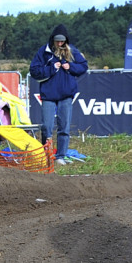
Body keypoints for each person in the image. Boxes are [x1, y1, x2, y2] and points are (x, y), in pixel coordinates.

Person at [29, 24, 88, 166]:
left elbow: (84, 66)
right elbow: (34, 70)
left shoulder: (72, 50)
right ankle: (46, 155)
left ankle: (60, 156)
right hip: (48, 95)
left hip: (66, 95)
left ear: (66, 40)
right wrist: (50, 69)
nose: (60, 44)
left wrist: (71, 67)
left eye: (62, 41)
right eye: (57, 41)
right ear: (53, 39)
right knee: (46, 126)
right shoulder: (44, 51)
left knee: (64, 127)